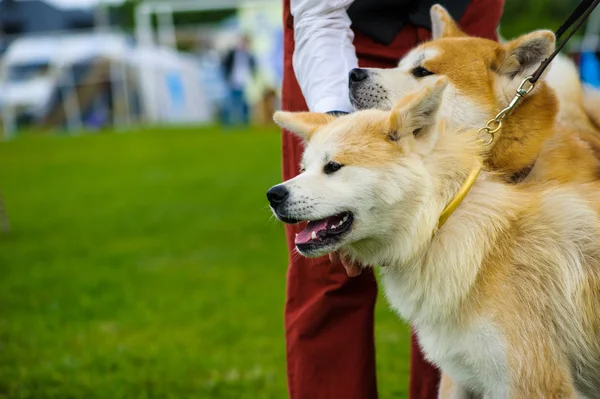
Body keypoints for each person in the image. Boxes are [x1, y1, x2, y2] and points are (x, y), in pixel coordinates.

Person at [280, 1, 504, 398]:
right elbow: (319, 17)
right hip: (349, 38)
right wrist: (338, 135)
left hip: (464, 30)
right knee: (332, 265)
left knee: (469, 260)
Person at [221, 34, 257, 125]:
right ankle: (227, 121)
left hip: (244, 81)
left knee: (243, 101)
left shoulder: (249, 55)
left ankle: (244, 120)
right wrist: (226, 77)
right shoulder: (232, 53)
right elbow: (225, 65)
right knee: (231, 101)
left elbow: (253, 67)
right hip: (233, 79)